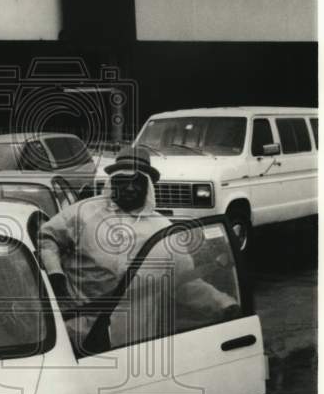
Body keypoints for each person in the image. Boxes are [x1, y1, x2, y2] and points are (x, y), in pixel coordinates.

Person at [39, 146, 237, 353]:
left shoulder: (163, 230)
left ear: (148, 187)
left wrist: (223, 303)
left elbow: (183, 281)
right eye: (123, 181)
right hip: (78, 332)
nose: (130, 188)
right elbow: (47, 238)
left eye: (138, 182)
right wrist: (55, 275)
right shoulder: (82, 212)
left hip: (134, 338)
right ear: (112, 182)